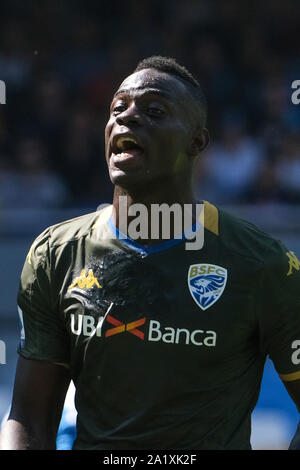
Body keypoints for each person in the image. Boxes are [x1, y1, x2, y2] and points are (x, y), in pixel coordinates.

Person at [0, 56, 300, 451]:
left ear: (197, 142)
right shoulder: (56, 255)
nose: (127, 118)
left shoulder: (263, 264)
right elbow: (29, 417)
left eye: (154, 110)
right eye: (117, 108)